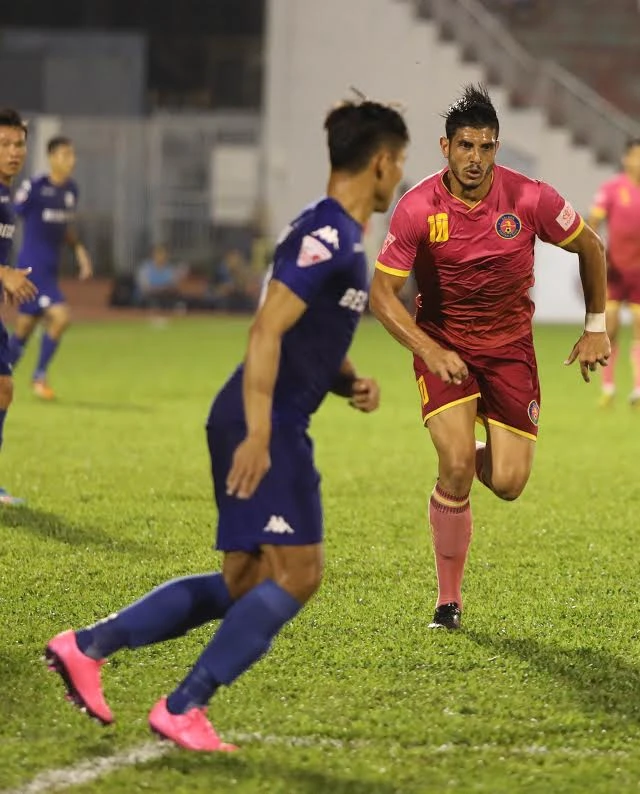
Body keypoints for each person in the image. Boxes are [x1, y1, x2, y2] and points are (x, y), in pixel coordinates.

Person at [44, 99, 409, 752]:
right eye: (400, 161)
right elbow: (265, 328)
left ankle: (87, 646)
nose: (401, 175)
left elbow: (306, 334)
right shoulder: (328, 234)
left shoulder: (334, 233)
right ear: (380, 162)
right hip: (265, 420)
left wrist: (348, 380)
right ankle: (183, 705)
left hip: (255, 413)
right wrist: (261, 433)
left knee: (244, 582)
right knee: (299, 574)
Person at [369, 85, 610, 631]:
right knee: (456, 466)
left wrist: (595, 327)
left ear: (496, 148)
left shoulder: (530, 198)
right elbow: (382, 295)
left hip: (509, 351)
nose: (475, 158)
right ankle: (448, 602)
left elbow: (591, 247)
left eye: (485, 147)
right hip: (445, 347)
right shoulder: (418, 208)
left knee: (508, 483)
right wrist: (429, 349)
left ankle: (468, 451)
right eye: (465, 146)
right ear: (445, 147)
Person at [10, 135, 93, 401]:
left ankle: (3, 373)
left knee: (24, 329)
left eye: (73, 155)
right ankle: (39, 377)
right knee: (61, 317)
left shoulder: (71, 191)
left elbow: (63, 228)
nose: (72, 160)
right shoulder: (35, 187)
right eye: (66, 155)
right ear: (51, 158)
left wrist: (79, 250)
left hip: (50, 269)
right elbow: (10, 212)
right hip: (32, 268)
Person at [588, 138, 640, 409]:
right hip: (615, 270)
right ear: (626, 159)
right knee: (611, 328)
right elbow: (594, 222)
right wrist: (597, 252)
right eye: (637, 156)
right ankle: (608, 388)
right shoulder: (611, 189)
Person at [0, 109, 40, 504]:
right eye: (4, 144)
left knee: (3, 388)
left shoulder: (6, 195)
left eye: (19, 144)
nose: (14, 151)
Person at [135, 244, 187, 308]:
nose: (161, 256)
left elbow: (174, 285)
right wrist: (161, 289)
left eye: (163, 254)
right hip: (149, 297)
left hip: (166, 297)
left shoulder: (170, 269)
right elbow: (145, 288)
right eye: (158, 253)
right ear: (153, 255)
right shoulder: (145, 268)